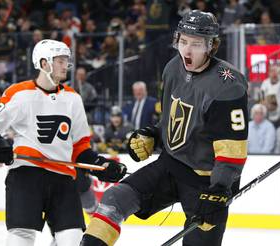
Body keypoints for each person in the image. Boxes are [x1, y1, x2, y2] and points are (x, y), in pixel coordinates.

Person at [80, 10, 248, 246]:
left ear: (212, 46)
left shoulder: (227, 85)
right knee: (114, 199)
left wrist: (220, 190)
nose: (187, 50)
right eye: (184, 41)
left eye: (197, 44)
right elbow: (171, 121)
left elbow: (232, 149)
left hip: (206, 182)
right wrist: (153, 135)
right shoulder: (172, 69)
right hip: (170, 166)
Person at [0, 39, 127, 246]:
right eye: (60, 60)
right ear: (44, 63)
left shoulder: (73, 98)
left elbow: (80, 147)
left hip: (63, 179)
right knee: (22, 236)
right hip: (27, 175)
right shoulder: (19, 93)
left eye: (66, 61)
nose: (66, 65)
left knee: (72, 238)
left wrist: (101, 165)